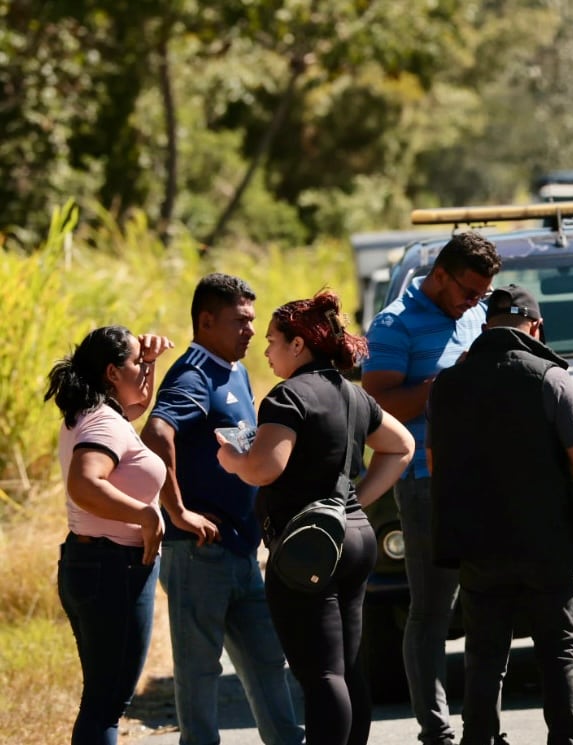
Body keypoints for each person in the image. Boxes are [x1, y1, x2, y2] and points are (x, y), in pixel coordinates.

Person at [217, 290, 415, 745]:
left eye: (272, 341)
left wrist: (232, 460)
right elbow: (401, 446)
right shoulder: (352, 393)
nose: (266, 350)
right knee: (346, 668)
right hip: (354, 537)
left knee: (322, 675)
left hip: (307, 547)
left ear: (299, 344)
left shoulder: (287, 397)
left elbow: (266, 467)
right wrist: (355, 501)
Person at [427, 284, 573, 745]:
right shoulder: (550, 377)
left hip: (479, 546)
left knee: (484, 658)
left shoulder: (447, 385)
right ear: (536, 327)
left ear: (485, 328)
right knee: (558, 655)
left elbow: (433, 464)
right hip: (549, 544)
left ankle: (479, 740)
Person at [140, 273, 303, 745]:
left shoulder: (233, 369)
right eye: (240, 321)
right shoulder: (193, 373)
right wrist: (178, 512)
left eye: (252, 320)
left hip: (240, 549)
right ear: (206, 321)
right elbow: (157, 434)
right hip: (199, 554)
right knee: (199, 675)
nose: (251, 330)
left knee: (267, 661)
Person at [362, 230, 502, 745]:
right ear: (439, 275)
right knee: (431, 610)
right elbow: (377, 407)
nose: (474, 302)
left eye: (482, 295)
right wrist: (445, 386)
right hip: (425, 483)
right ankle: (435, 729)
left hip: (480, 481)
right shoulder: (394, 324)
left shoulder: (470, 312)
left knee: (489, 602)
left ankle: (483, 725)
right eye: (468, 291)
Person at [46, 325, 174, 744]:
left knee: (101, 700)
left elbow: (137, 405)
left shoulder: (95, 412)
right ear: (111, 373)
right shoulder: (105, 424)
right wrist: (146, 516)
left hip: (92, 565)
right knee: (107, 705)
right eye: (136, 363)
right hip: (111, 571)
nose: (143, 370)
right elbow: (84, 484)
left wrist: (149, 363)